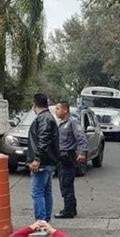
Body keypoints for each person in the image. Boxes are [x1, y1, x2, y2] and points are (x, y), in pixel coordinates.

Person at [27, 94, 60, 222]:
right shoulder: (49, 117)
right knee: (46, 191)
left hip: (43, 162)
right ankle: (45, 222)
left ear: (35, 105)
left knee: (37, 192)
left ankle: (41, 223)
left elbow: (43, 140)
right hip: (49, 161)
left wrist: (37, 159)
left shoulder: (43, 119)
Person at [54, 102, 88, 219]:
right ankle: (71, 208)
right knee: (65, 183)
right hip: (61, 157)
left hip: (68, 156)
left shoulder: (72, 122)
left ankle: (68, 211)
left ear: (65, 110)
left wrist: (82, 152)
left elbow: (81, 137)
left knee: (66, 184)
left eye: (58, 109)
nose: (56, 111)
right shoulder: (62, 123)